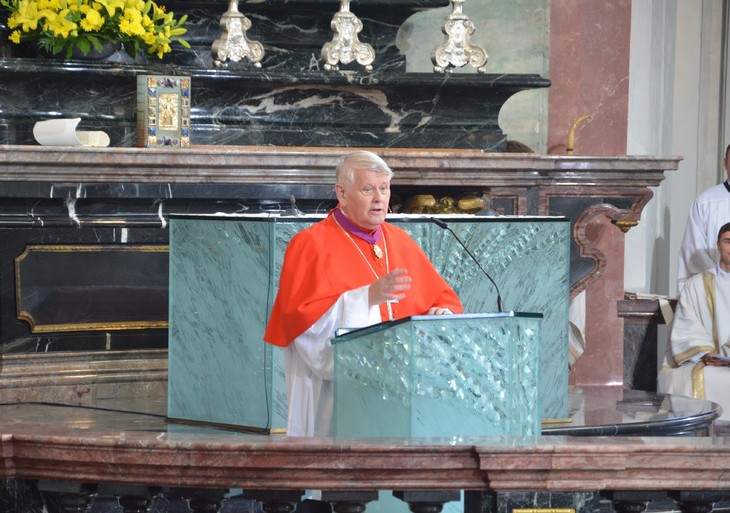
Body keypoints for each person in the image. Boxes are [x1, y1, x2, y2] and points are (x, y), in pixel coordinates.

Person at [264, 150, 464, 436]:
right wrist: (366, 298)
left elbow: (442, 299)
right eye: (368, 189)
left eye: (384, 189)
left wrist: (440, 314)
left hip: (403, 400)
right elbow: (304, 329)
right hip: (335, 404)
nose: (379, 198)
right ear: (342, 193)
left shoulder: (401, 241)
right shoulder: (309, 245)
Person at [658, 222, 730, 420]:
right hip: (706, 361)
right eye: (728, 241)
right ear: (718, 245)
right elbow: (687, 323)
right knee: (708, 377)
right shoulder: (696, 284)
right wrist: (706, 354)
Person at [677, 144, 730, 293]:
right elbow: (694, 250)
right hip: (714, 290)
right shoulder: (705, 202)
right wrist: (722, 280)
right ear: (725, 162)